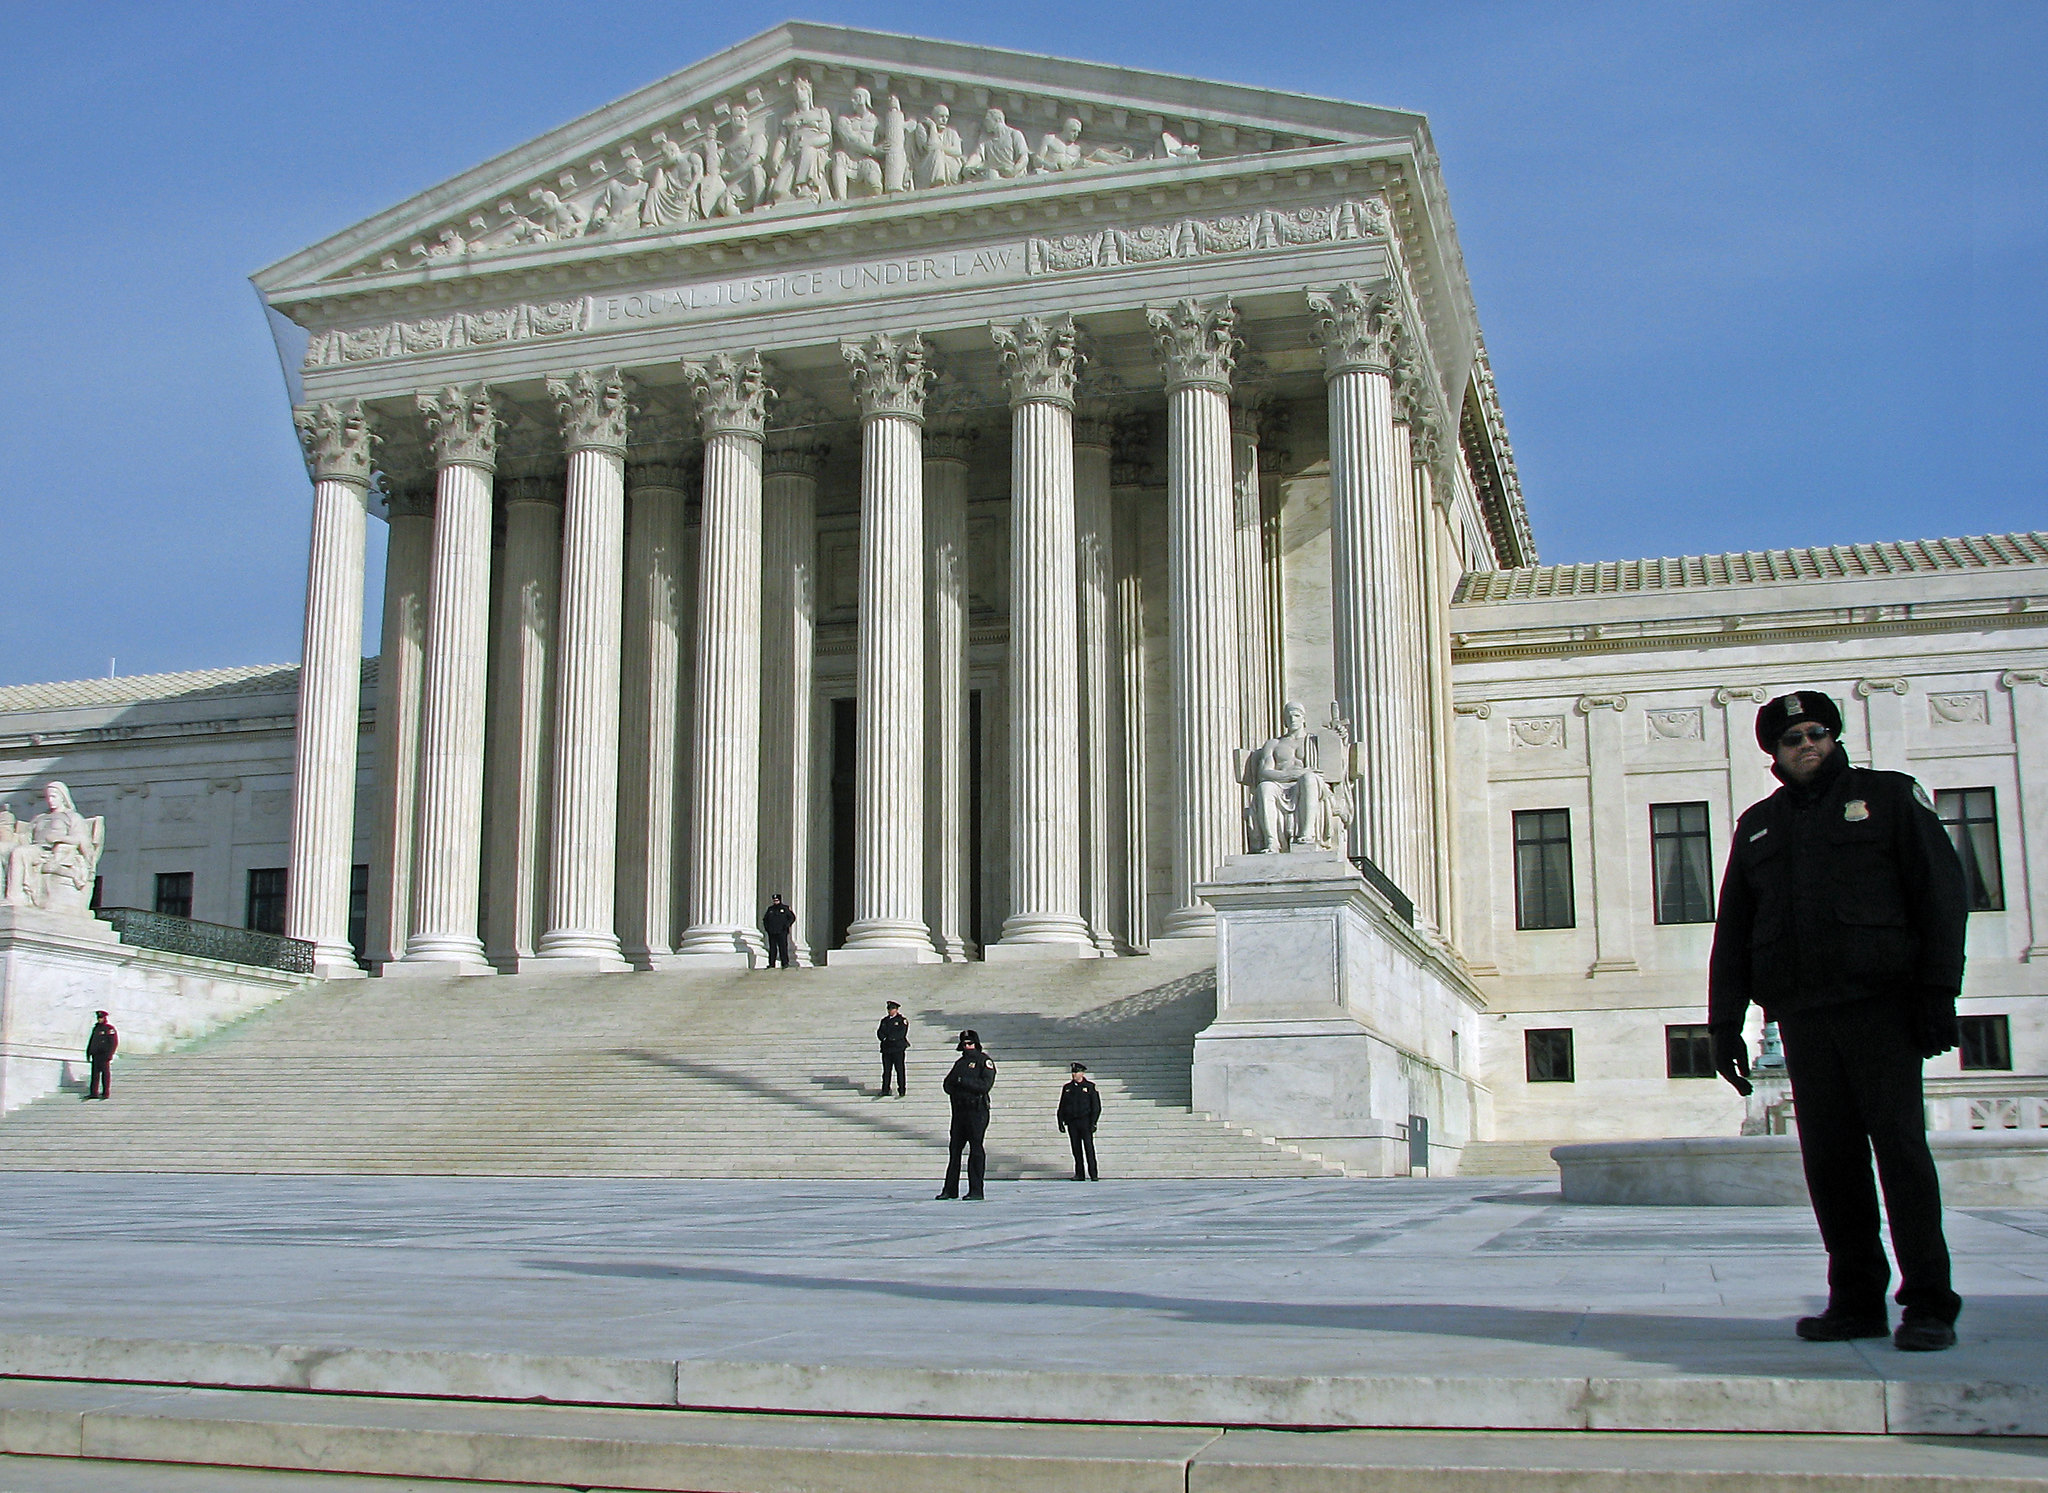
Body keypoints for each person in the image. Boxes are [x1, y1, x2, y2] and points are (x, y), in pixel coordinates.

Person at [1708, 690, 1969, 1352]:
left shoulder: (1888, 797)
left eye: (1816, 732)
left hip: (1881, 1006)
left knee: (1902, 1152)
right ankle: (1855, 1299)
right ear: (1774, 752)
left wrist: (1938, 990)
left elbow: (1942, 894)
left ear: (1835, 735)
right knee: (1831, 1162)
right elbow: (1735, 928)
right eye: (1791, 738)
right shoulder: (1759, 826)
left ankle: (1929, 1303)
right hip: (1803, 1012)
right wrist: (1724, 1024)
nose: (1807, 745)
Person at [936, 1029, 995, 1201]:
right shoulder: (960, 1063)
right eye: (964, 1044)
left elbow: (984, 1085)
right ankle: (950, 1189)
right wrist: (957, 1085)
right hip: (959, 1111)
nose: (967, 1047)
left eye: (970, 1044)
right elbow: (947, 1084)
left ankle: (976, 1190)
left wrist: (963, 1082)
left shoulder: (984, 1061)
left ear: (976, 1044)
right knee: (954, 1150)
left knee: (976, 1149)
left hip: (976, 1111)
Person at [1057, 1062, 1102, 1180]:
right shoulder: (1067, 1088)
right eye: (1073, 1072)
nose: (1074, 1074)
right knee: (1076, 1149)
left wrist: (1093, 1122)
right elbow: (1062, 1105)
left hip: (1085, 1121)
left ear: (1082, 1073)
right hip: (1072, 1122)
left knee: (1089, 1148)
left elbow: (1096, 1107)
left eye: (1076, 1072)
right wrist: (1060, 1121)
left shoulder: (1090, 1087)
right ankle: (1079, 1174)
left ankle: (1093, 1174)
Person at [876, 1000, 909, 1097]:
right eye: (889, 1009)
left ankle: (902, 1089)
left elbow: (901, 1033)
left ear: (896, 1009)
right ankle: (885, 1089)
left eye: (892, 1009)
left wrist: (890, 1038)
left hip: (897, 1048)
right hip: (886, 1049)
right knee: (886, 1070)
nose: (890, 1011)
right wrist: (884, 1038)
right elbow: (880, 1032)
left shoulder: (901, 1020)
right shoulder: (884, 1021)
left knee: (900, 1070)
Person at [85, 1010, 117, 1101]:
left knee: (105, 1074)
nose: (99, 1020)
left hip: (104, 1055)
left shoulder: (109, 1029)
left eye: (101, 1018)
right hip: (96, 1055)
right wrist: (88, 1052)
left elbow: (113, 1043)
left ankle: (105, 1092)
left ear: (104, 1018)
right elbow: (92, 1041)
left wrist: (109, 1054)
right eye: (98, 1018)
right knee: (94, 1075)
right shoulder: (96, 1028)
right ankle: (93, 1092)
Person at [762, 895, 796, 969]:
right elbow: (765, 920)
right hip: (772, 932)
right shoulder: (770, 909)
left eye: (777, 900)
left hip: (782, 932)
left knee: (783, 947)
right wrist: (767, 929)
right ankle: (771, 964)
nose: (775, 902)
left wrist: (786, 925)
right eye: (774, 900)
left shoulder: (785, 908)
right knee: (772, 948)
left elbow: (792, 917)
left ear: (780, 900)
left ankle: (785, 963)